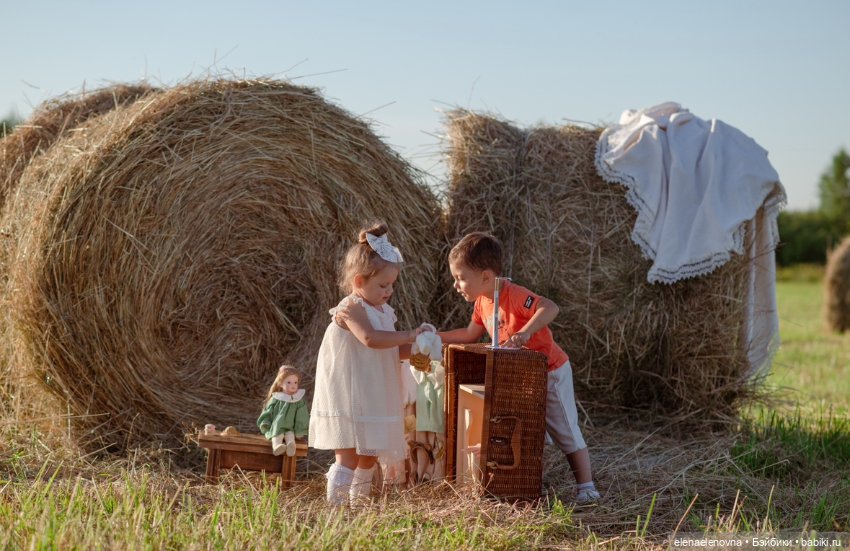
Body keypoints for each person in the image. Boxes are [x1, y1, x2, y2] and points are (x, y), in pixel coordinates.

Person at [437, 231, 601, 505]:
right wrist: (432, 336)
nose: (456, 284)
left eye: (460, 277)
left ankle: (587, 485)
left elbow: (550, 307)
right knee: (523, 428)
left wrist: (524, 333)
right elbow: (469, 335)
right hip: (520, 377)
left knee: (565, 429)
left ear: (486, 277)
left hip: (549, 372)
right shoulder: (481, 303)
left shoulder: (513, 295)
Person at [309, 221, 427, 506]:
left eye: (391, 286)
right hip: (351, 393)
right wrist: (409, 333)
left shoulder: (385, 311)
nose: (388, 291)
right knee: (348, 454)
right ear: (359, 281)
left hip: (373, 392)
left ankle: (357, 505)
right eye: (382, 285)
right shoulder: (350, 308)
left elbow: (390, 349)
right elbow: (371, 339)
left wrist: (419, 350)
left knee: (370, 453)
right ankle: (335, 508)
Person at [257, 365, 309, 456]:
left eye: (295, 382)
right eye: (289, 382)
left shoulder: (298, 400)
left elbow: (302, 415)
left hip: (290, 427)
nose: (293, 385)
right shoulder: (276, 398)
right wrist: (266, 422)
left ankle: (291, 446)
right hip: (277, 426)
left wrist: (299, 430)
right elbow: (268, 411)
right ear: (280, 384)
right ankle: (277, 446)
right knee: (276, 435)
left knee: (290, 435)